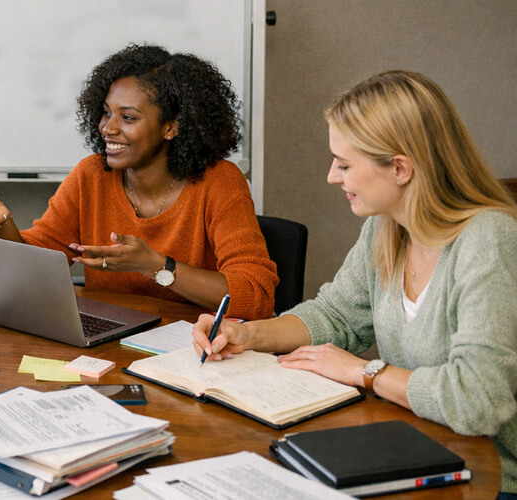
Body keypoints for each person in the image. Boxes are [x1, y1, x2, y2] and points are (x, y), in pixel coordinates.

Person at [191, 71, 517, 498]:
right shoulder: (386, 228)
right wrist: (247, 334)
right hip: (410, 452)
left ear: (400, 168)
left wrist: (364, 372)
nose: (332, 176)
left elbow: (477, 400)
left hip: (488, 479)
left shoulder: (488, 239)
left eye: (344, 164)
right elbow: (336, 315)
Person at [0, 44, 277, 318]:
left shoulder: (219, 182)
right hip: (111, 345)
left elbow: (256, 295)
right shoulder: (91, 175)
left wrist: (156, 266)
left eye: (128, 117)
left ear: (171, 126)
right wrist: (3, 222)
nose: (107, 127)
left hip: (193, 352)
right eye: (106, 112)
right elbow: (30, 269)